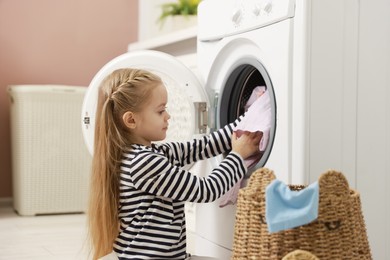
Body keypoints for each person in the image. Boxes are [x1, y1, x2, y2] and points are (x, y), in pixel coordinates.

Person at [88, 68, 262, 260]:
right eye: (161, 110)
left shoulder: (150, 153)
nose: (168, 116)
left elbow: (204, 146)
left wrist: (250, 118)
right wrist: (238, 155)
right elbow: (206, 190)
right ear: (131, 120)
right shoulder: (144, 163)